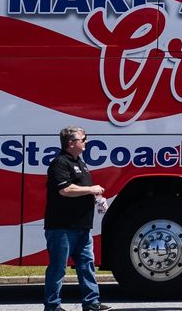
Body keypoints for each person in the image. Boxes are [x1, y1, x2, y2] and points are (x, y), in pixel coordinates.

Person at [44, 126, 112, 311]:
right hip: (62, 227)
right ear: (71, 143)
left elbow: (85, 188)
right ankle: (52, 306)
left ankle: (91, 302)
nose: (86, 142)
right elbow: (65, 189)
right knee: (58, 268)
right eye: (83, 139)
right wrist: (92, 190)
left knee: (86, 265)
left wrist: (99, 198)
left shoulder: (80, 162)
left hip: (82, 226)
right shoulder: (60, 163)